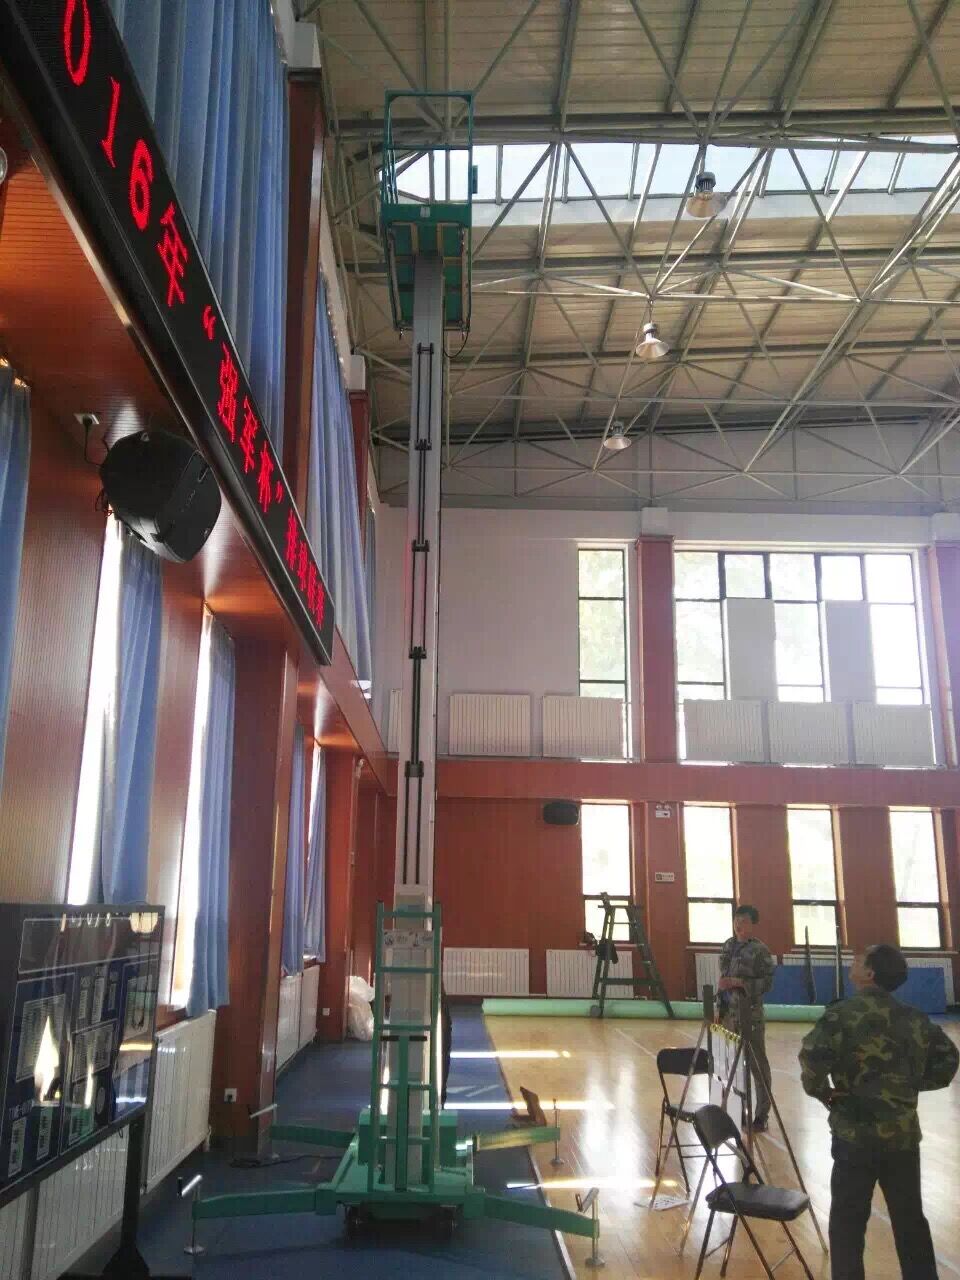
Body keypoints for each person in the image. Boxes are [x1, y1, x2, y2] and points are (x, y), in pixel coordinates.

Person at [799, 943, 959, 1280]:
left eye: (859, 959)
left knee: (847, 1222)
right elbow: (948, 1059)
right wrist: (908, 1086)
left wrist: (823, 1092)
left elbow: (812, 1057)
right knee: (910, 1221)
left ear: (870, 973)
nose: (853, 962)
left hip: (854, 1136)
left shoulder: (841, 1015)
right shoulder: (913, 1017)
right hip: (902, 1138)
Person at [718, 904, 775, 1131]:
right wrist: (719, 1009)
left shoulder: (760, 950)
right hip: (729, 1014)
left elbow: (767, 983)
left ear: (753, 925)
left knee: (757, 1065)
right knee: (732, 1065)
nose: (738, 925)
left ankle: (761, 1115)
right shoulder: (728, 946)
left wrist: (740, 983)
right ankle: (737, 1110)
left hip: (750, 1015)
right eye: (736, 920)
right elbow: (723, 979)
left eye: (744, 921)